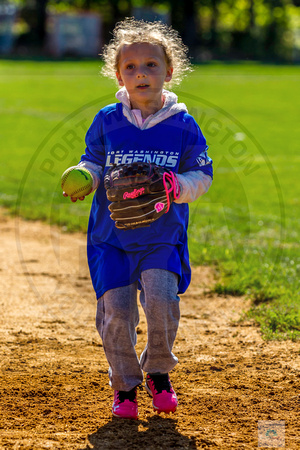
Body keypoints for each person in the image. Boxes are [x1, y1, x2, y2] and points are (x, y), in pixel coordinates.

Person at [62, 17, 213, 420]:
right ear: (118, 74)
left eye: (151, 65)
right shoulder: (107, 119)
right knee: (116, 315)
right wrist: (85, 176)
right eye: (131, 66)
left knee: (162, 303)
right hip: (110, 238)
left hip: (162, 236)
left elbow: (202, 174)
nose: (141, 73)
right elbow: (93, 160)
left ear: (169, 70)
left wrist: (175, 185)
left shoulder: (183, 124)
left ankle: (158, 372)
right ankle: (125, 384)